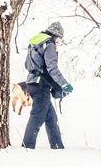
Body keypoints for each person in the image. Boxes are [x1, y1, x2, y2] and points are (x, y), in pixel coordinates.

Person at [22, 21, 73, 149]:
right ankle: (27, 147)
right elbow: (52, 69)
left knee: (50, 117)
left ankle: (57, 146)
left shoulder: (35, 43)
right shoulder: (49, 45)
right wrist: (64, 85)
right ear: (55, 35)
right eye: (59, 39)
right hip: (41, 85)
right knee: (37, 117)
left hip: (31, 82)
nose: (59, 42)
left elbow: (27, 65)